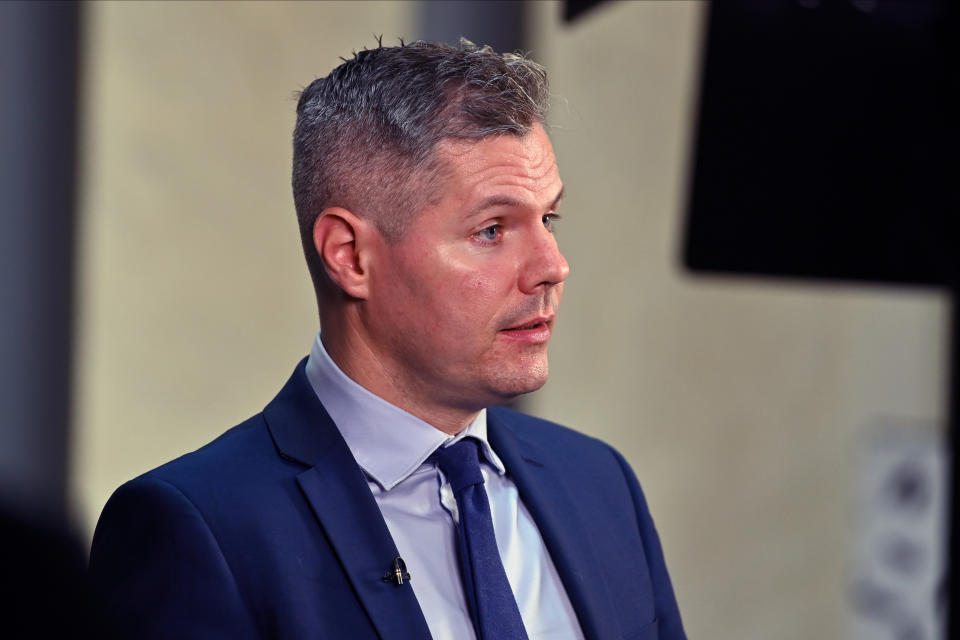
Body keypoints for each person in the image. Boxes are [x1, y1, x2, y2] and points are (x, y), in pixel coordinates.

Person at [88, 40, 686, 640]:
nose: (553, 266)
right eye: (492, 229)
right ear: (350, 256)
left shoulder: (600, 482)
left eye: (548, 220)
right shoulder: (198, 527)